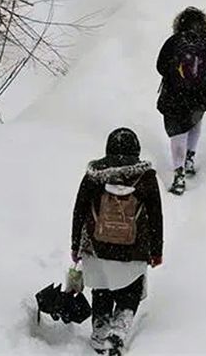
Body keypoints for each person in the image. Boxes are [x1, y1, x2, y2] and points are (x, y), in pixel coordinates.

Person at [71, 128, 163, 355]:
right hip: (134, 248)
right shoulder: (146, 178)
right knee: (130, 291)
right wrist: (156, 250)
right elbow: (155, 215)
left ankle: (100, 332)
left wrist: (76, 245)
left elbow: (79, 210)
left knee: (101, 289)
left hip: (97, 246)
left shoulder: (94, 175)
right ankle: (118, 332)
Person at [156, 6, 206, 195]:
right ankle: (190, 159)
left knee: (177, 134)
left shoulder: (173, 42)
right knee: (194, 123)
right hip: (199, 98)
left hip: (174, 98)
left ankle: (179, 174)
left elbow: (160, 66)